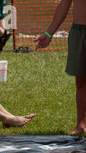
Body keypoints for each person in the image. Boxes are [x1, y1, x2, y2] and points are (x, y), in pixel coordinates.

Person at [34, 0, 86, 135]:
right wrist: (49, 33)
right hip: (79, 32)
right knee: (81, 82)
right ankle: (81, 124)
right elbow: (64, 4)